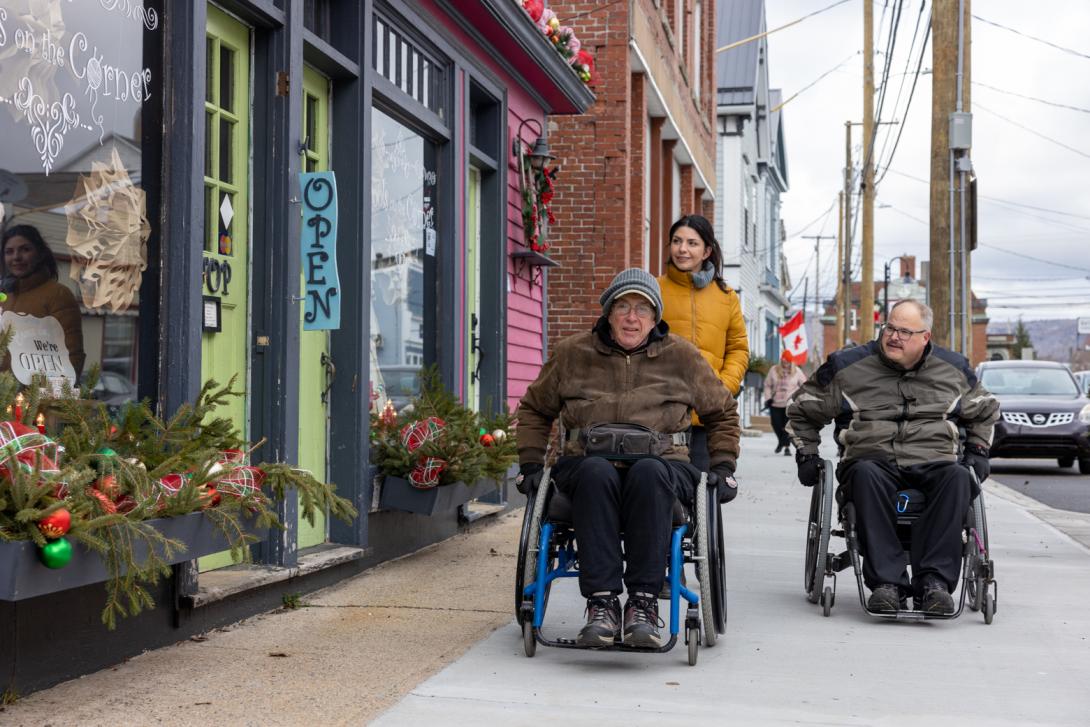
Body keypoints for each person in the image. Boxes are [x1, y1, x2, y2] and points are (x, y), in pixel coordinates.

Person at [516, 268, 741, 647]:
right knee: (595, 471)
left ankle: (643, 602)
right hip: (586, 462)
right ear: (608, 313)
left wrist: (723, 466)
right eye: (623, 307)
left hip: (664, 465)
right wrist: (530, 464)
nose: (631, 317)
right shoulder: (573, 353)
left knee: (649, 472)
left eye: (642, 308)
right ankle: (602, 603)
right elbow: (535, 409)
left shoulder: (682, 357)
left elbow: (722, 412)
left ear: (655, 318)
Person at [786, 299, 998, 615]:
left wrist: (978, 451)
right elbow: (801, 408)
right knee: (865, 475)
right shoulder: (847, 366)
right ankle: (888, 585)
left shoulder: (953, 369)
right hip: (871, 458)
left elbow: (986, 411)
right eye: (890, 327)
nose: (893, 336)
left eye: (904, 331)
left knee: (958, 478)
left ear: (925, 337)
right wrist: (807, 454)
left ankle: (934, 585)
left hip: (934, 459)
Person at [657, 215, 748, 471]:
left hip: (709, 413)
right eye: (676, 241)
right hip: (662, 412)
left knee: (706, 491)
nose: (682, 249)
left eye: (691, 243)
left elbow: (738, 348)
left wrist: (723, 385)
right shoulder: (654, 290)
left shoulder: (726, 297)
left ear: (707, 250)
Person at [1, 225, 85, 380]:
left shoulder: (58, 295)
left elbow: (72, 354)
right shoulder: (4, 297)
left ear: (40, 254)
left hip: (38, 401)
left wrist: (51, 401)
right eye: (9, 252)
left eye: (25, 249)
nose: (16, 257)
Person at [763, 351, 806, 457]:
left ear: (791, 362)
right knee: (776, 424)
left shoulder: (797, 371)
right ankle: (781, 442)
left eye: (787, 361)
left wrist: (801, 400)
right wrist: (768, 398)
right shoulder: (774, 370)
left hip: (790, 404)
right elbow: (767, 385)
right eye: (783, 360)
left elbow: (805, 386)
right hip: (775, 403)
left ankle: (786, 447)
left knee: (787, 427)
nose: (784, 363)